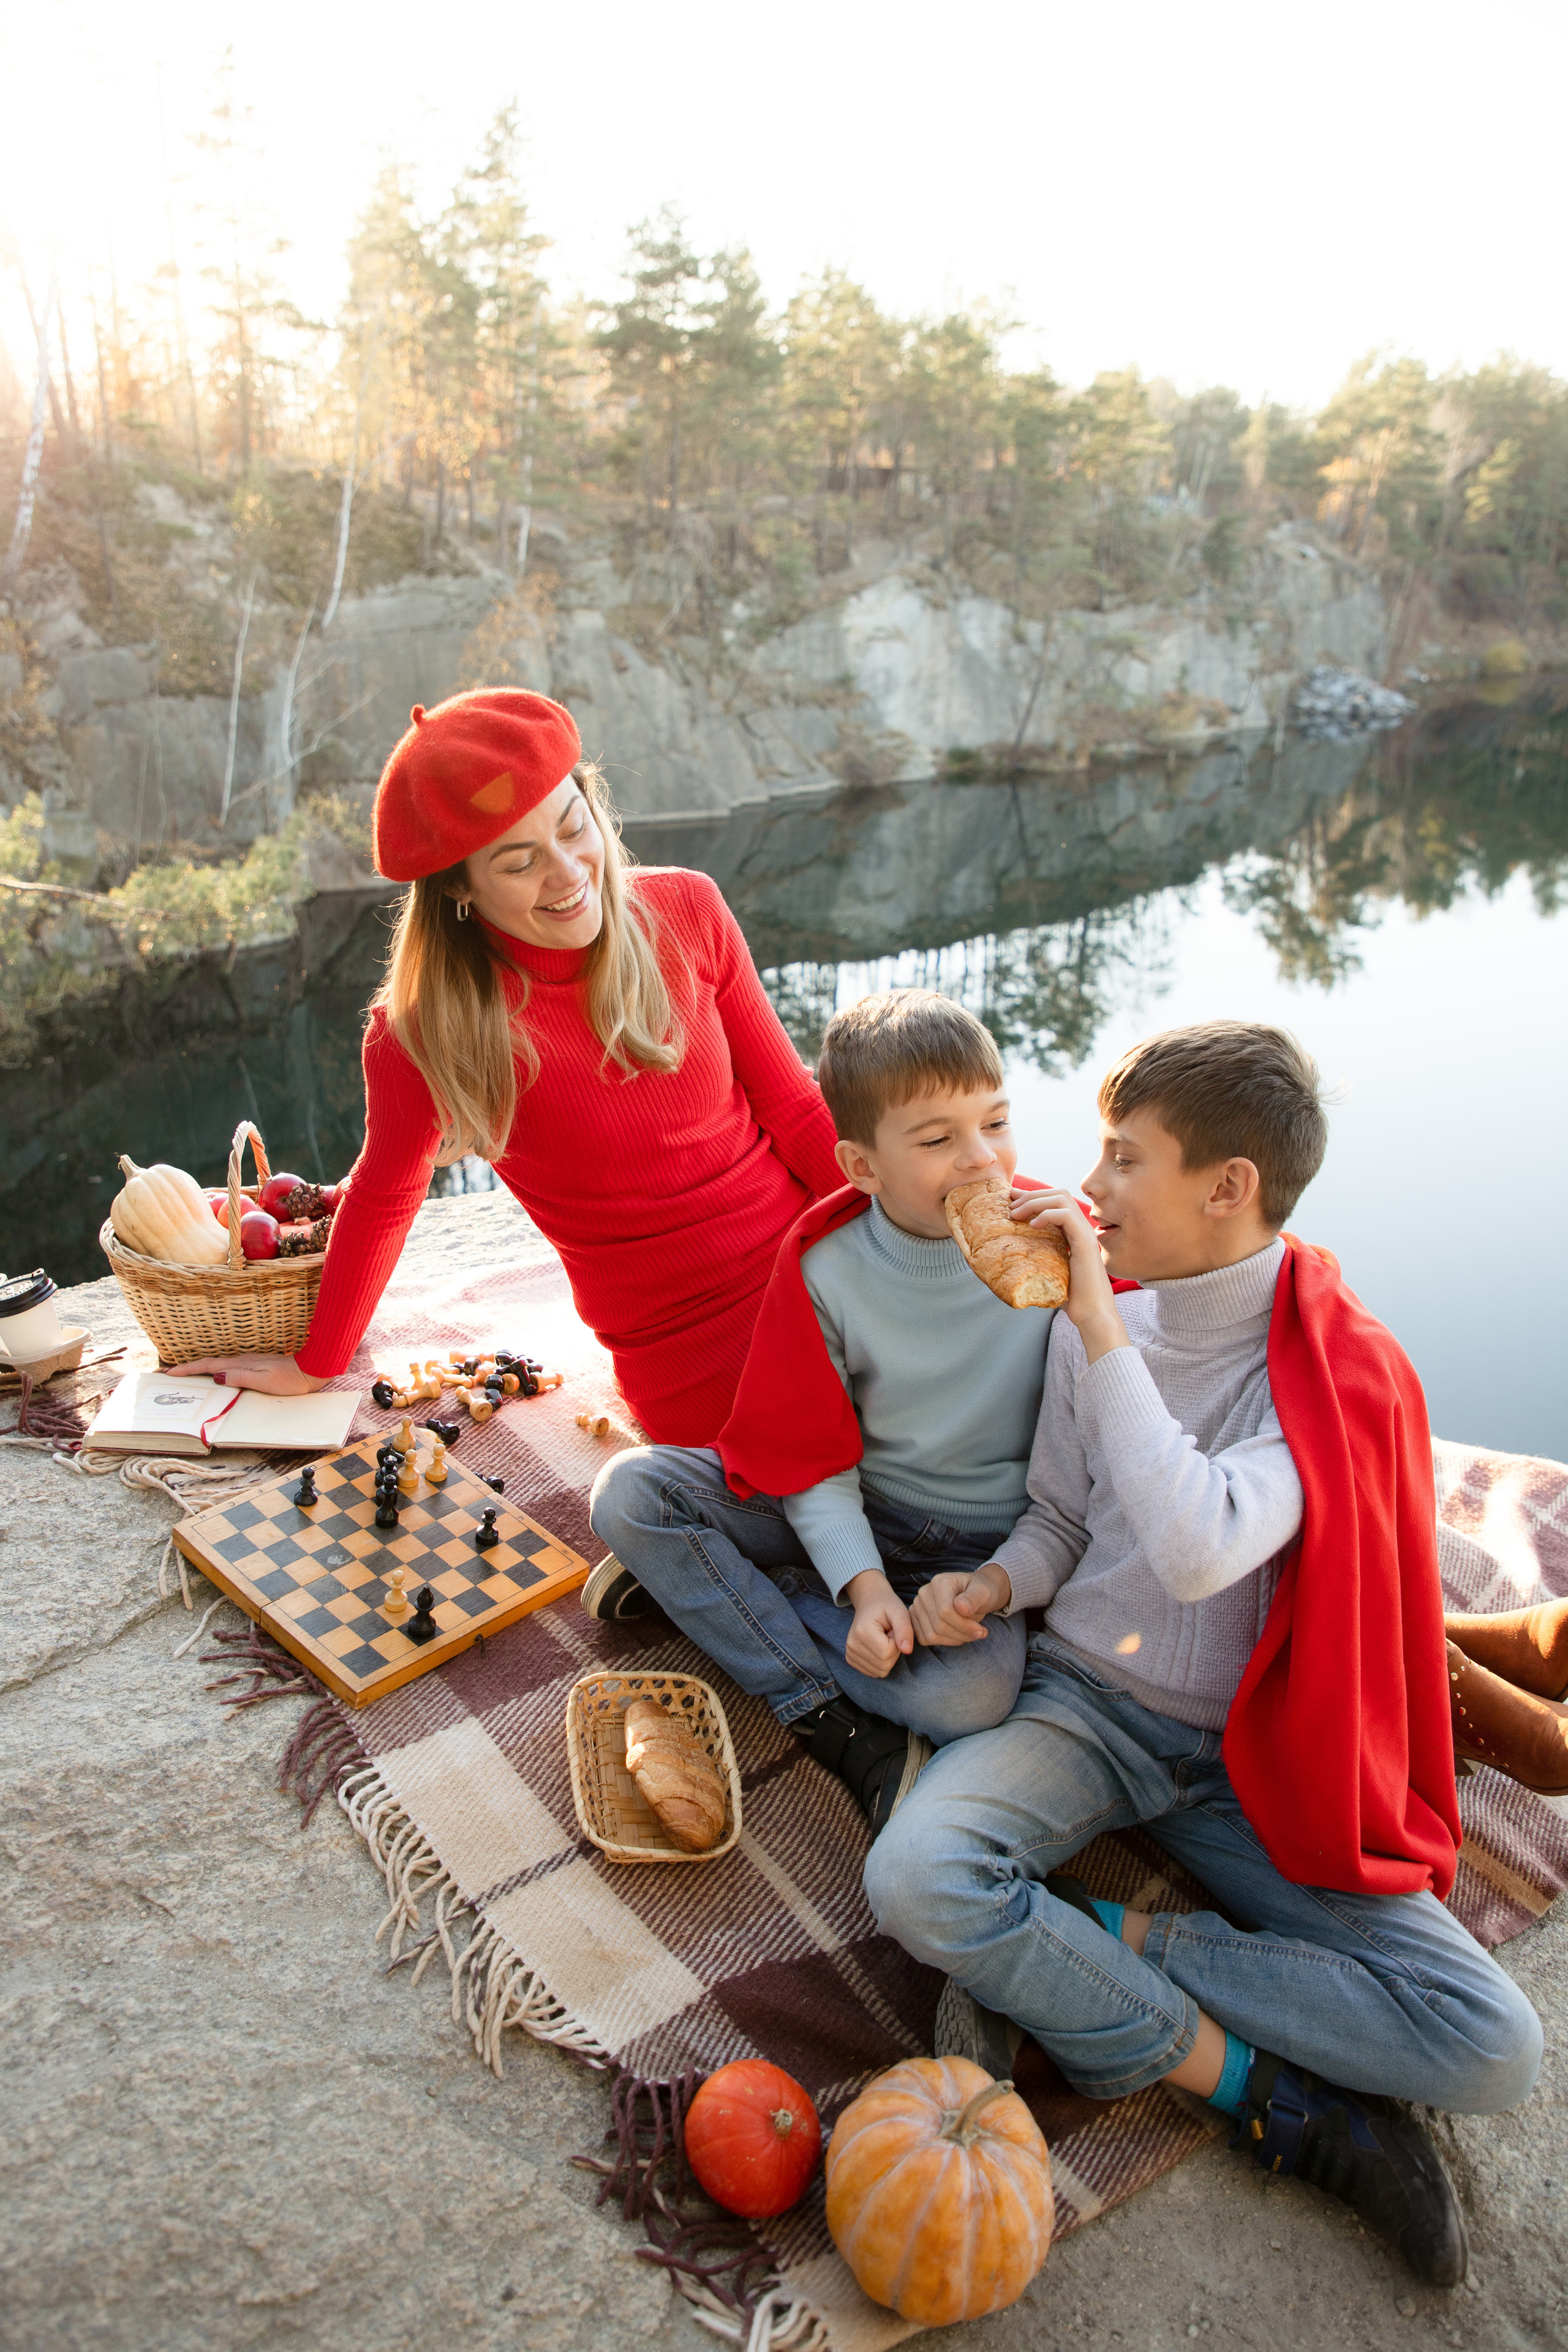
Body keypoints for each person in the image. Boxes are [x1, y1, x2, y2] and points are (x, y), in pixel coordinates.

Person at [863, 1021, 1542, 2288]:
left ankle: (1091, 1940)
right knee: (914, 1881)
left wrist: (1100, 1324)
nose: (1090, 1188)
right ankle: (1263, 2092)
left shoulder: (1323, 1375)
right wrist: (998, 1580)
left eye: (1123, 1160)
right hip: (1084, 1715)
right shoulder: (1090, 1333)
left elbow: (1194, 1545)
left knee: (1490, 2044)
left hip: (1251, 1755)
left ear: (1227, 1188)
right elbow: (1068, 1519)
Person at [174, 690, 842, 1439]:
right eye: (519, 862)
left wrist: (925, 1229)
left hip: (828, 1256)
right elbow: (386, 1193)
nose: (566, 874)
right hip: (683, 1344)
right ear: (458, 887)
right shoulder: (424, 1030)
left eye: (573, 826)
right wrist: (317, 1363)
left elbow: (794, 1106)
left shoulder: (688, 908)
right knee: (807, 1469)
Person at [588, 991, 1047, 1826]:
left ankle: (719, 1589)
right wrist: (865, 1588)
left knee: (972, 1700)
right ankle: (813, 1698)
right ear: (863, 1167)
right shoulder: (827, 1266)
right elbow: (810, 1455)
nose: (983, 1159)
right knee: (629, 1492)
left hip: (980, 1551)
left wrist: (988, 1587)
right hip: (851, 1508)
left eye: (998, 1122)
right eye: (939, 1140)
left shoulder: (1066, 1252)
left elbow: (1092, 1471)